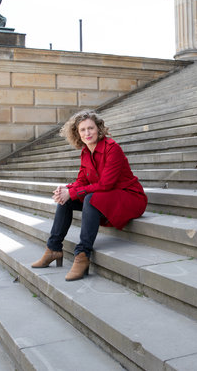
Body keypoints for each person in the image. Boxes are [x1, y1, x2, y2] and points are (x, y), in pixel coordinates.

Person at [31, 110, 147, 281]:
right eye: (83, 130)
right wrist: (66, 190)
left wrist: (73, 192)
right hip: (108, 197)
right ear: (77, 133)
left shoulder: (112, 148)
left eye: (90, 128)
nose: (87, 133)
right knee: (66, 201)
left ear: (99, 129)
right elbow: (81, 181)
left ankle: (82, 255)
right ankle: (53, 249)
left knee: (90, 199)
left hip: (129, 198)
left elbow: (106, 184)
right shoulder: (85, 152)